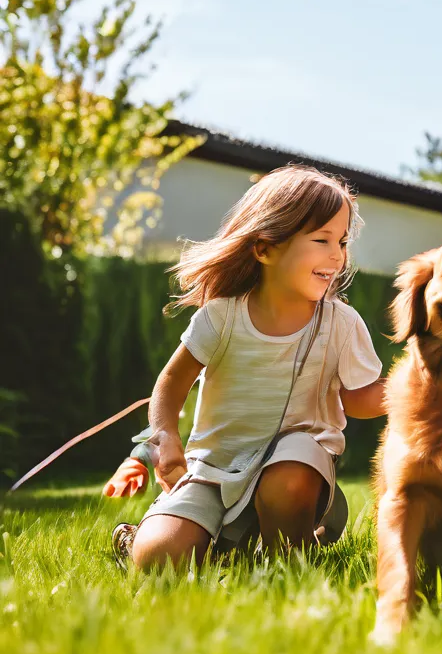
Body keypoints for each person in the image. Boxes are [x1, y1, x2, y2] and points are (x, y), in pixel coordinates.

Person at [108, 165, 386, 569]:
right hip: (213, 466)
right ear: (265, 249)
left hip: (296, 464)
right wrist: (164, 437)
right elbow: (171, 383)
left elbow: (358, 400)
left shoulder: (341, 323)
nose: (337, 255)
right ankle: (147, 541)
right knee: (158, 561)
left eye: (341, 241)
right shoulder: (220, 317)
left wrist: (418, 383)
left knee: (290, 471)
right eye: (322, 239)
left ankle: (287, 558)